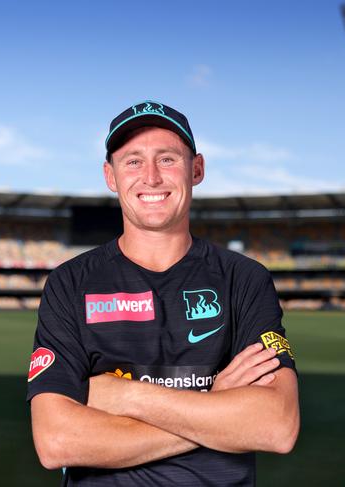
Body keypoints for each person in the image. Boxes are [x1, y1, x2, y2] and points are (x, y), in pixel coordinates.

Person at [27, 101, 299, 486]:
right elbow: (56, 442)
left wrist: (123, 397)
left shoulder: (245, 279)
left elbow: (275, 425)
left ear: (197, 169)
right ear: (110, 175)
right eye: (133, 161)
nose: (151, 177)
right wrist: (215, 406)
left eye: (167, 159)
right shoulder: (70, 284)